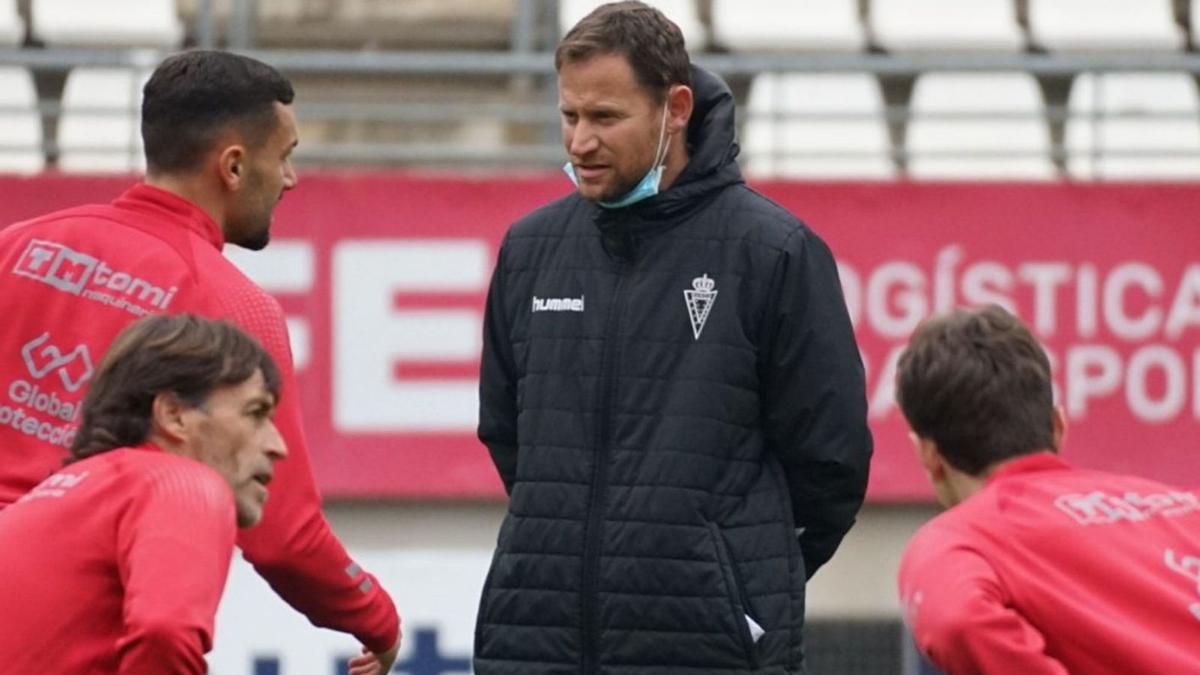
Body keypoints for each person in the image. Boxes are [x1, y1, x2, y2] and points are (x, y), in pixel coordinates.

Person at [474, 3, 872, 673]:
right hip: (535, 640)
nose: (579, 142)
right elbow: (507, 433)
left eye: (605, 118)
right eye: (570, 116)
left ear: (676, 108)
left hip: (709, 651)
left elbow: (831, 464)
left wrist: (736, 585)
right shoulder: (530, 249)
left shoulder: (772, 252)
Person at [0, 50, 399, 671]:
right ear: (234, 165)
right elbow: (282, 531)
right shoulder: (235, 308)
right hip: (84, 622)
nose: (291, 179)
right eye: (285, 155)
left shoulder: (15, 248)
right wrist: (374, 615)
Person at [895, 305, 1200, 674]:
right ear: (1058, 425)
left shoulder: (956, 541)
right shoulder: (1186, 506)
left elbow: (957, 621)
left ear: (927, 454)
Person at [0, 314, 286, 673]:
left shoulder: (51, 499)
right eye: (256, 413)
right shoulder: (179, 482)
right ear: (174, 415)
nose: (279, 446)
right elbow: (165, 631)